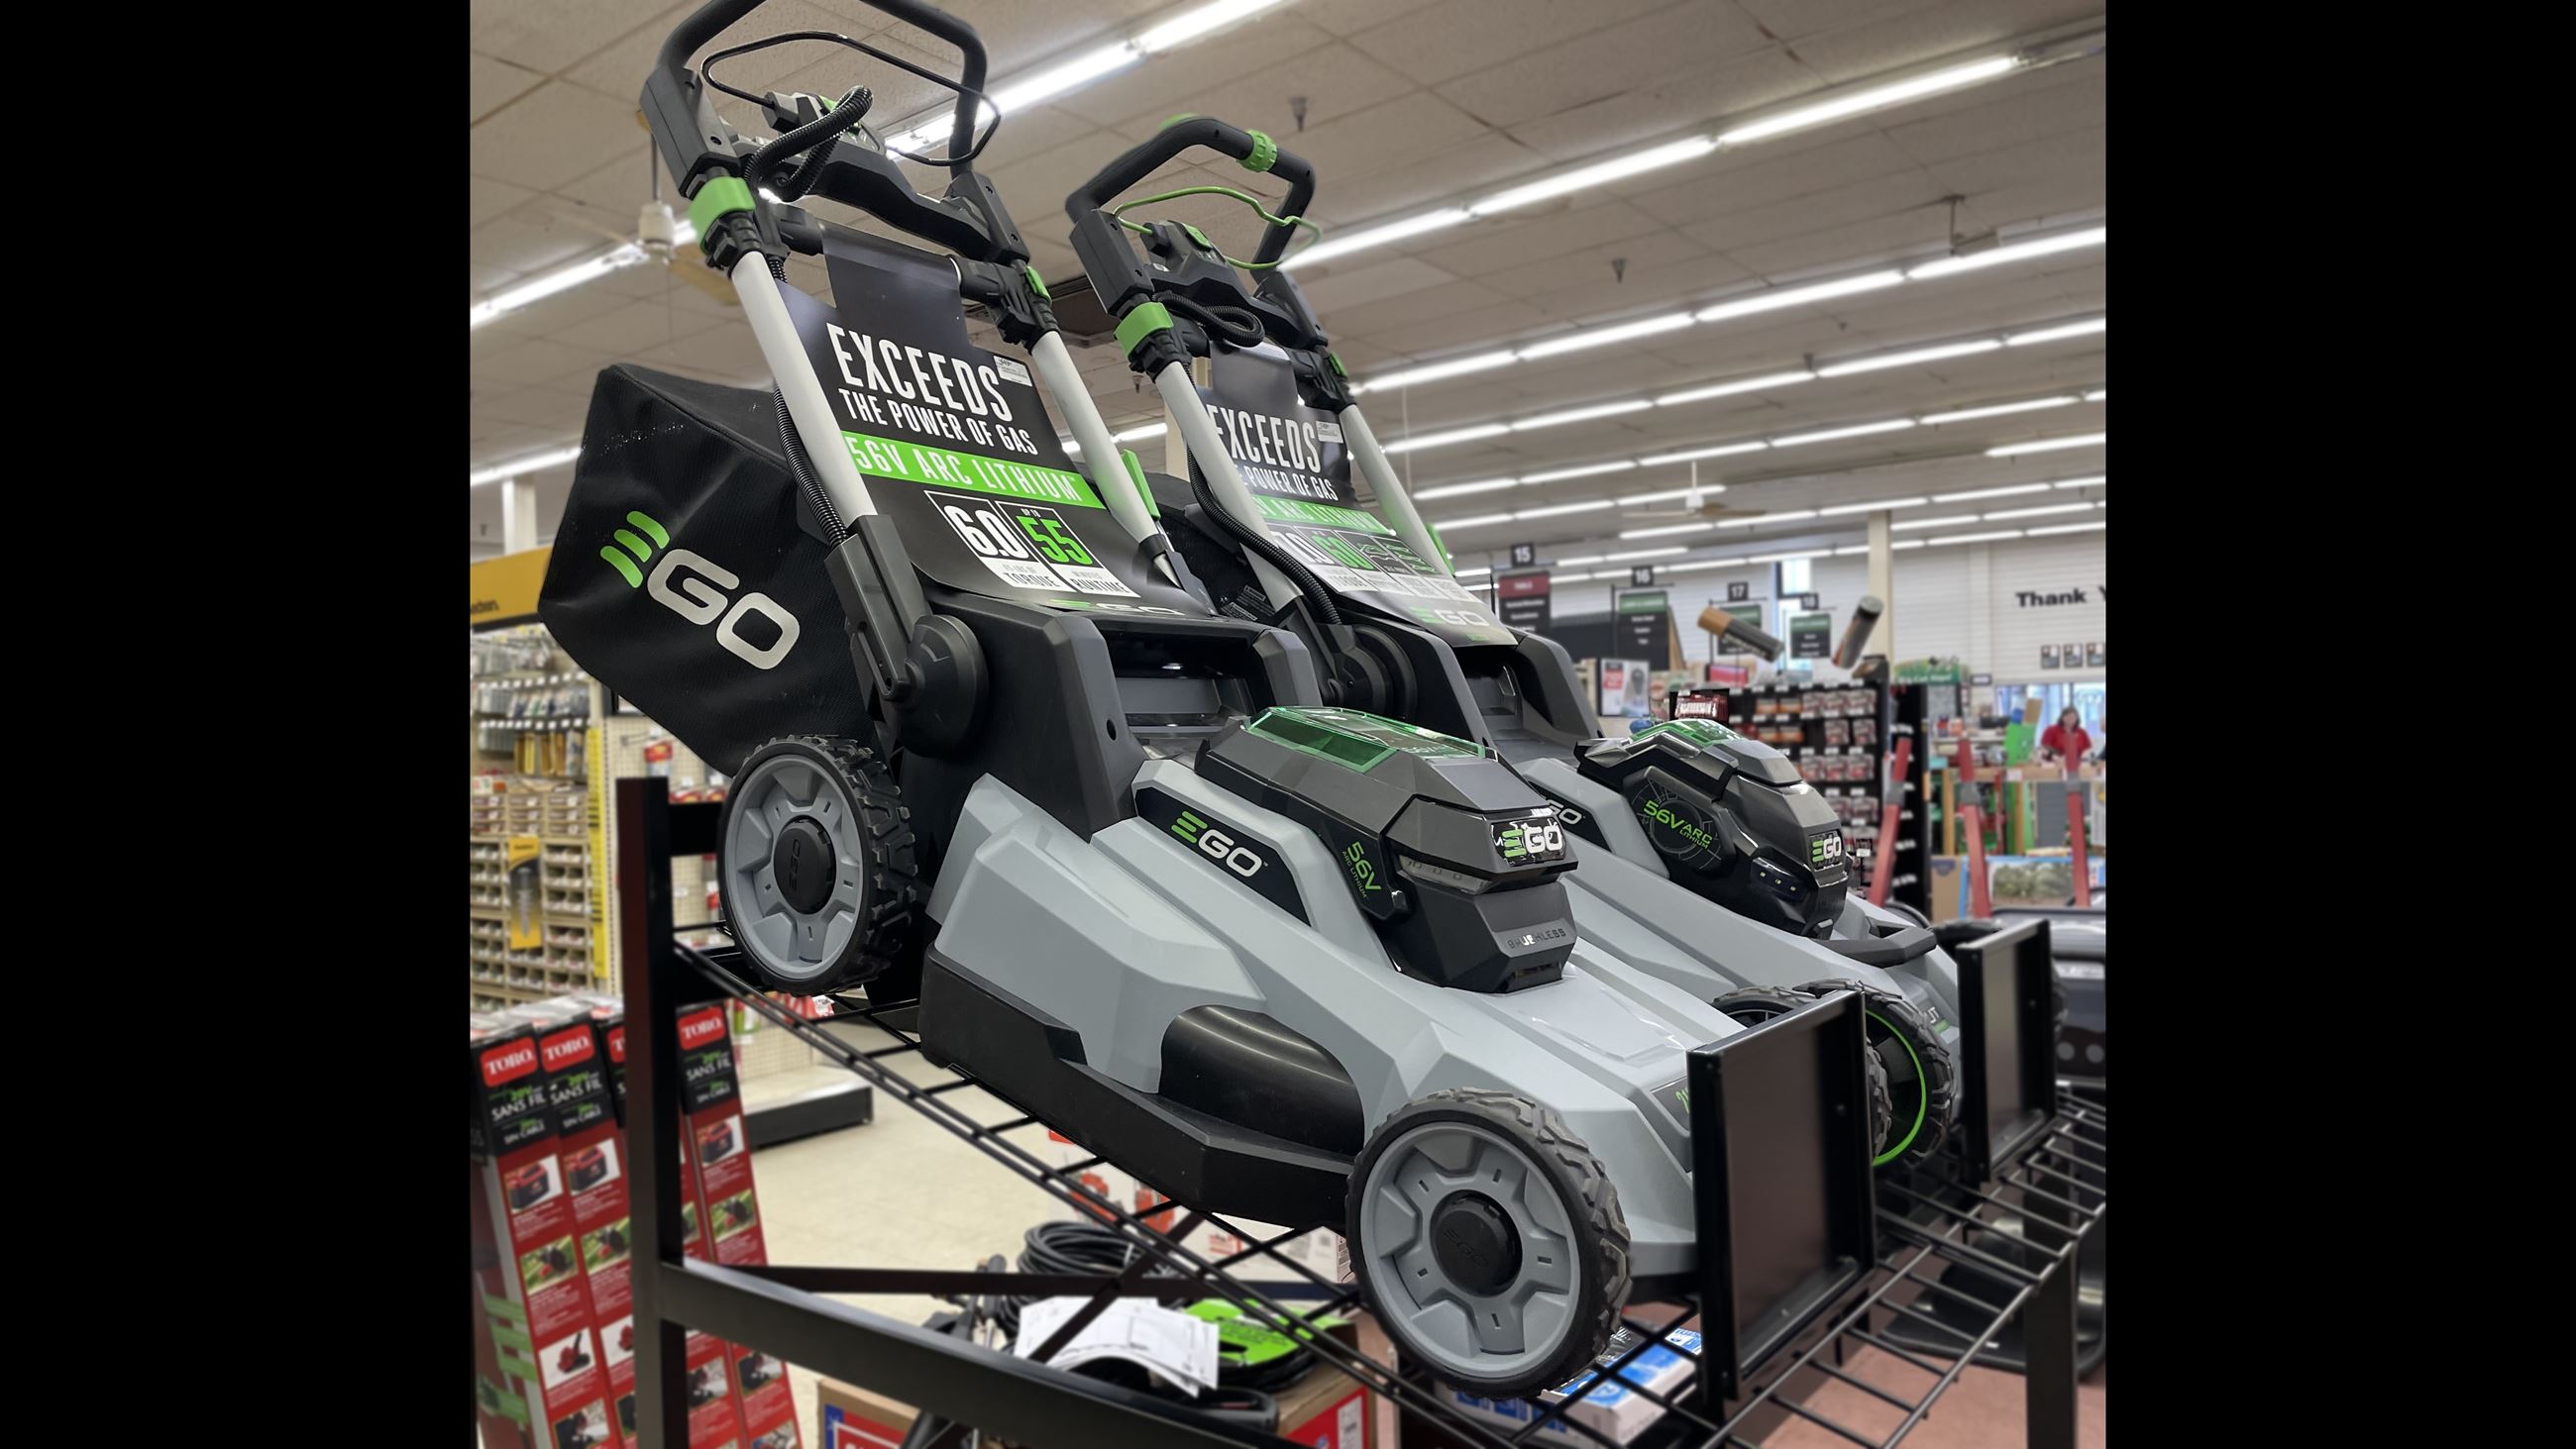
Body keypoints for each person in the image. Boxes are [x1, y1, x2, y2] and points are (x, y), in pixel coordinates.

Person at [2039, 707, 2093, 776]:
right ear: (2062, 717)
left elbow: (2088, 749)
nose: (2071, 719)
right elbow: (2044, 748)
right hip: (2054, 766)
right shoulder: (2051, 730)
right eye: (2068, 717)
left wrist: (2084, 758)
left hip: (2077, 767)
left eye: (2073, 717)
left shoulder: (2082, 732)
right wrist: (2055, 757)